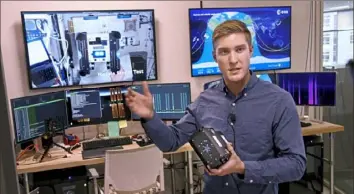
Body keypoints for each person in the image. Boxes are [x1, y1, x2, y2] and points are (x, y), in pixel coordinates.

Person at [125, 20, 306, 194]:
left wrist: (243, 168)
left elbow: (296, 165)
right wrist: (149, 117)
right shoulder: (205, 101)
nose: (233, 59)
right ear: (215, 57)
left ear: (250, 51)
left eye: (240, 50)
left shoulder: (279, 100)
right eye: (224, 52)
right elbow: (170, 141)